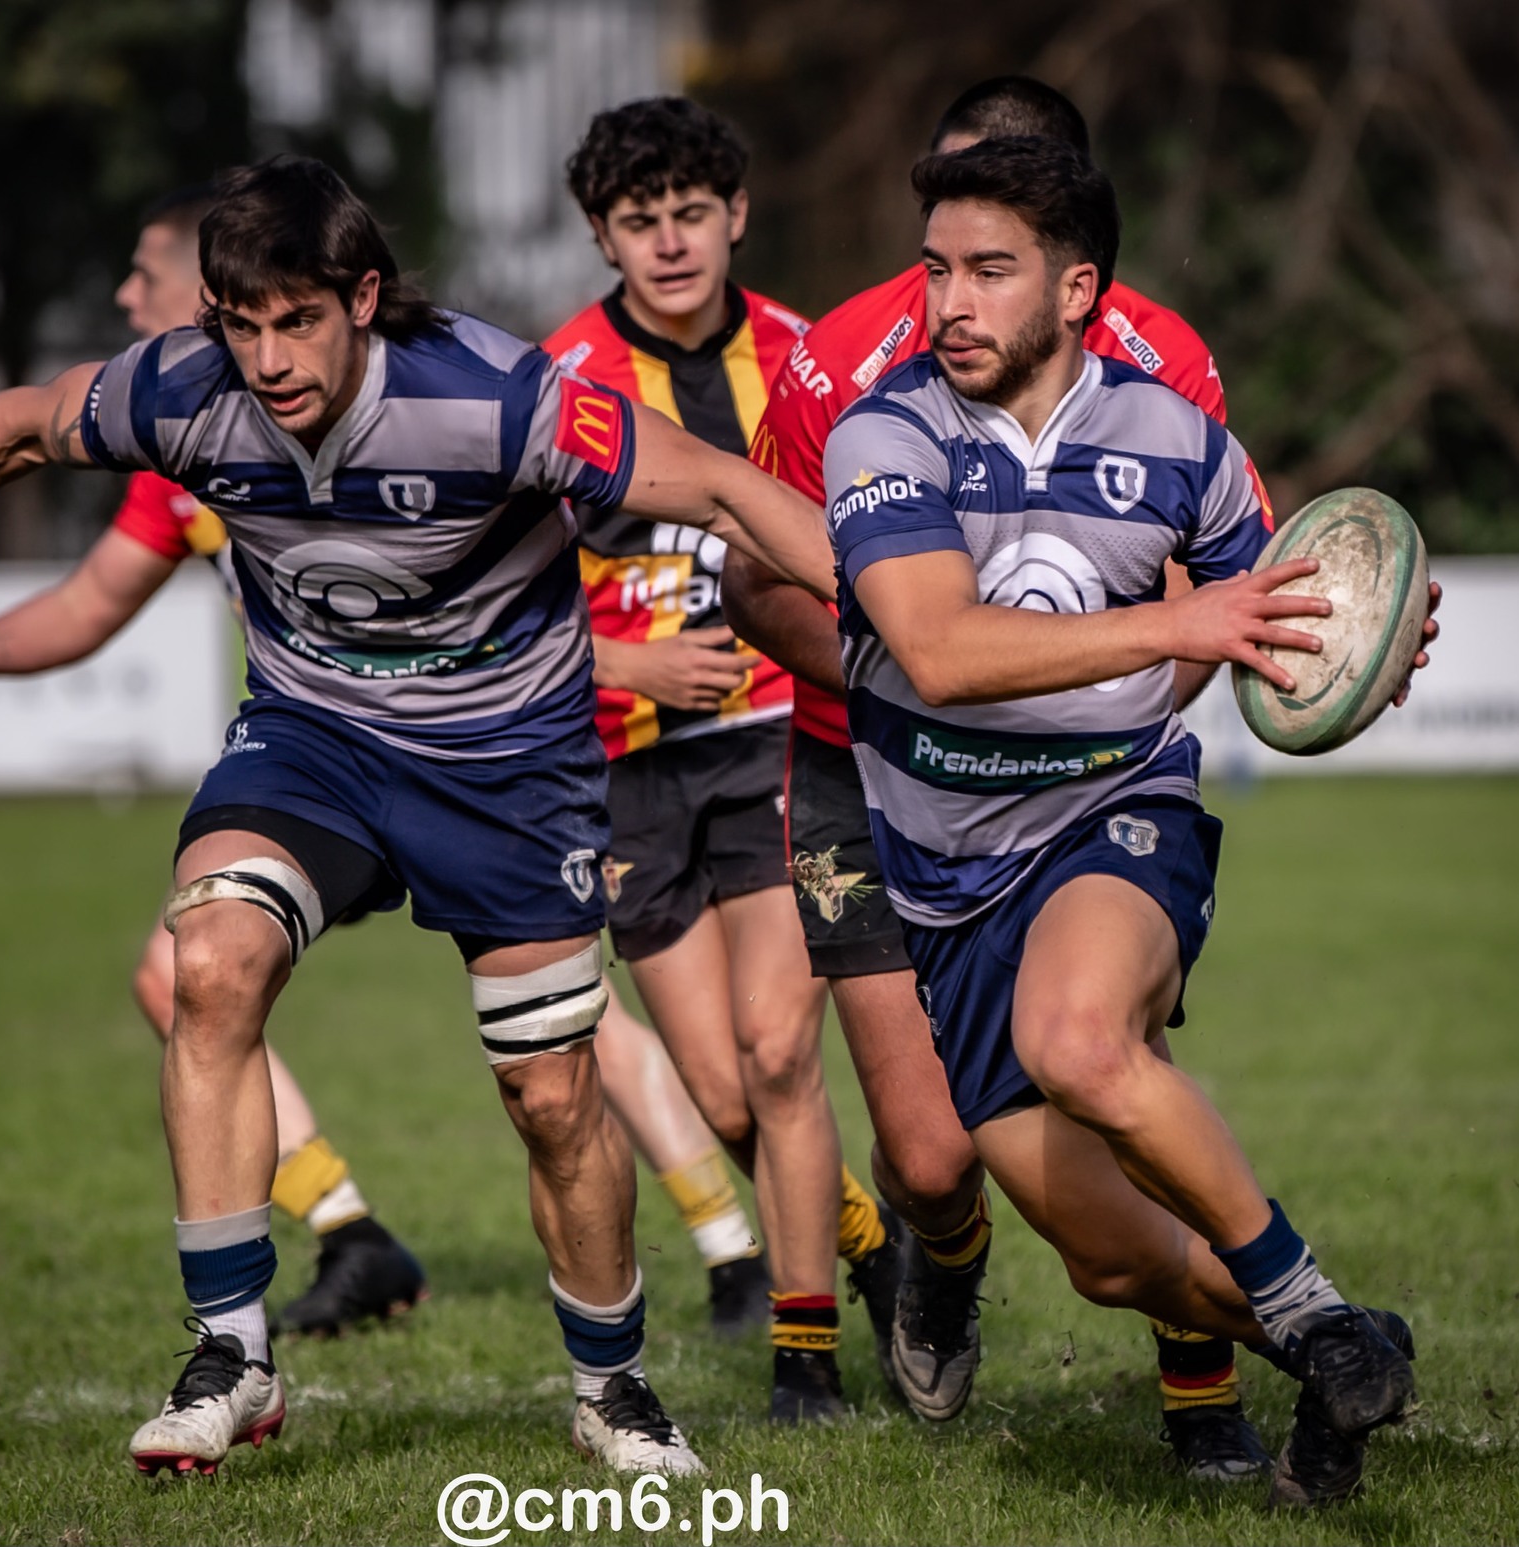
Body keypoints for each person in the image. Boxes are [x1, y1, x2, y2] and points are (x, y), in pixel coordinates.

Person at [0, 155, 837, 1479]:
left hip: (508, 760)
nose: (269, 357)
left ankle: (611, 1383)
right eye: (241, 324)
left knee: (549, 1089)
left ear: (363, 297)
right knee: (208, 959)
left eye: (297, 320)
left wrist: (900, 624)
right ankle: (231, 1352)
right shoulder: (185, 386)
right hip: (317, 742)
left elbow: (715, 483)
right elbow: (20, 423)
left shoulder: (493, 394)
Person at [813, 132, 1437, 1509]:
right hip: (945, 883)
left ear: (1080, 287)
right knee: (1116, 1259)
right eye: (936, 272)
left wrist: (1360, 649)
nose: (950, 304)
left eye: (990, 272)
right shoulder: (884, 432)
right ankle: (1341, 1340)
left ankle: (1315, 1311)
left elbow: (1281, 615)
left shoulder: (1182, 443)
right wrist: (1181, 618)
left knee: (1080, 1038)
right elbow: (939, 649)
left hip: (1113, 811)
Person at [724, 76, 1272, 1475]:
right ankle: (943, 1258)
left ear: (1074, 255)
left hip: (1086, 784)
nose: (954, 283)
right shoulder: (843, 369)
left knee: (1116, 1070)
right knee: (925, 1152)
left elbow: (1216, 583)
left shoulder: (1169, 362)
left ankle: (1206, 1396)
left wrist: (1114, 702)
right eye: (942, 242)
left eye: (999, 241)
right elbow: (751, 579)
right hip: (866, 764)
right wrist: (923, 672)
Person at [0, 186, 429, 1340]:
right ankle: (348, 1235)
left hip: (475, 743)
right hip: (328, 766)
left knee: (578, 1031)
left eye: (140, 272)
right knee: (184, 967)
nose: (125, 296)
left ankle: (763, 1252)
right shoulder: (187, 446)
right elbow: (87, 604)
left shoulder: (403, 408)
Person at [544, 95, 900, 1423]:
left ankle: (803, 1360)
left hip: (776, 738)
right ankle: (875, 1244)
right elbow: (506, 603)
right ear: (603, 235)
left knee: (774, 1051)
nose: (672, 242)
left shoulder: (813, 362)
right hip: (627, 763)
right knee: (714, 1083)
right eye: (642, 222)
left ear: (737, 215)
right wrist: (623, 665)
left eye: (694, 213)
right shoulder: (558, 379)